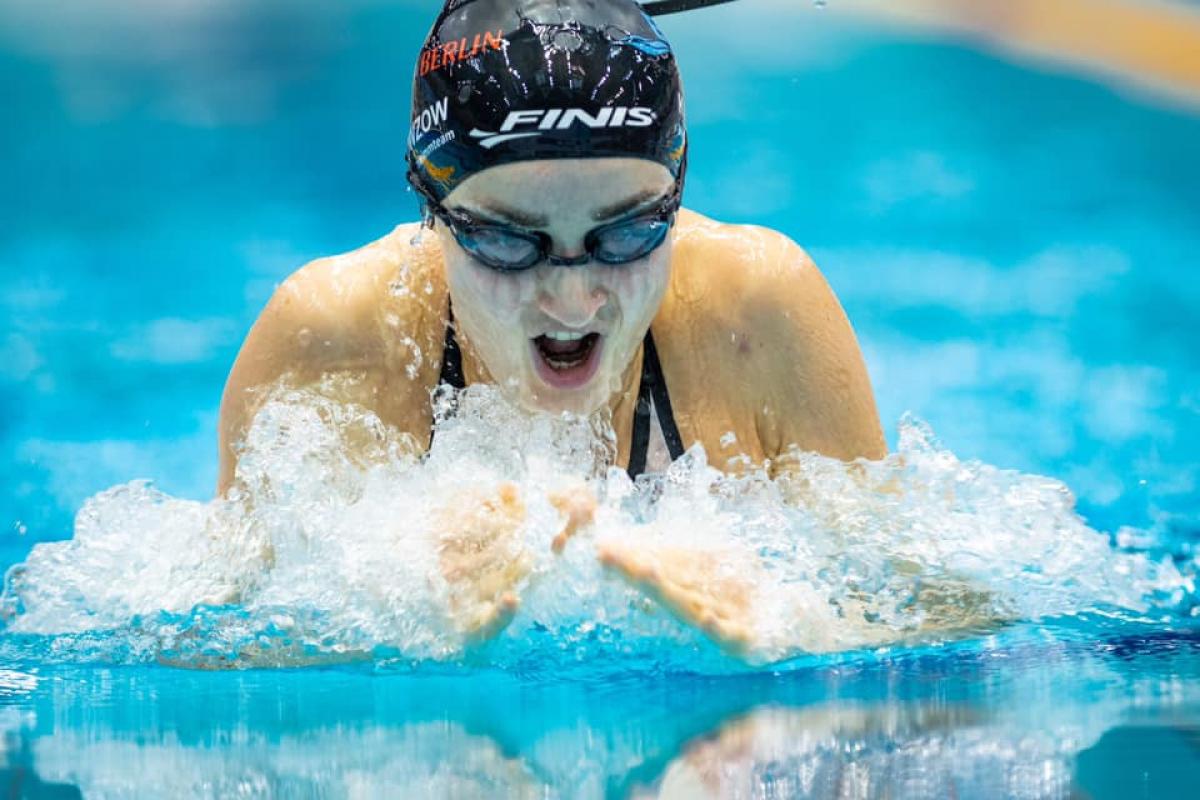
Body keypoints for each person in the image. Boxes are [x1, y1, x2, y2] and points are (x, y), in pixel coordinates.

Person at [217, 0, 887, 654]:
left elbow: (928, 618)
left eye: (629, 232)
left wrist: (796, 627)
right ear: (433, 210)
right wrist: (391, 613)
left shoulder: (759, 313)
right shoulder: (333, 338)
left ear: (676, 198)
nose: (572, 302)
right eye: (509, 242)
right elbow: (221, 650)